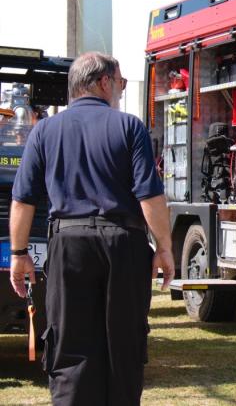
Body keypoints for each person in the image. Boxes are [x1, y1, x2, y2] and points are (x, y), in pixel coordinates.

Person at [8, 52, 175, 405]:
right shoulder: (129, 127)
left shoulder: (44, 131)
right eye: (120, 82)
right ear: (103, 82)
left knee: (69, 342)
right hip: (124, 244)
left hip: (68, 245)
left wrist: (19, 253)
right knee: (124, 342)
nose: (121, 89)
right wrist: (163, 247)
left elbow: (23, 200)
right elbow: (149, 195)